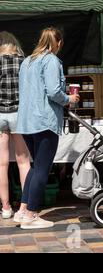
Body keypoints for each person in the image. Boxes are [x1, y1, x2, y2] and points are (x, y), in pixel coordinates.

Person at [15, 27, 79, 229]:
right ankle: (32, 214)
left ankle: (23, 210)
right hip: (44, 120)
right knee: (42, 169)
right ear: (58, 43)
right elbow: (53, 91)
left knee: (36, 167)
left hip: (26, 121)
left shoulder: (27, 61)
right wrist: (69, 98)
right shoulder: (51, 60)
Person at [0, 32, 31, 220]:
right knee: (23, 162)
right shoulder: (24, 62)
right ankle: (24, 206)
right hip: (19, 114)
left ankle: (5, 207)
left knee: (1, 164)